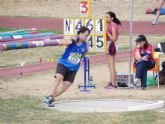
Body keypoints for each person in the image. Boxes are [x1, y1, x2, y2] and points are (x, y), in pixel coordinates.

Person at [44, 26, 90, 107]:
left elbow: (84, 53)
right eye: (86, 35)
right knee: (59, 77)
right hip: (63, 64)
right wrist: (72, 40)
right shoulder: (72, 41)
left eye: (87, 36)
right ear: (80, 34)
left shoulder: (85, 44)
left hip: (73, 69)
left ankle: (49, 97)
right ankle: (50, 97)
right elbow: (62, 43)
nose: (87, 37)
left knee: (65, 86)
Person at [104, 11, 121, 89]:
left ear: (112, 18)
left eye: (107, 17)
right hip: (108, 44)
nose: (105, 18)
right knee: (109, 65)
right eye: (105, 17)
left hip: (111, 45)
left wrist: (107, 33)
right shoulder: (108, 24)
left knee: (111, 65)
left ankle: (113, 83)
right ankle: (112, 81)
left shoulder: (113, 26)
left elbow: (114, 38)